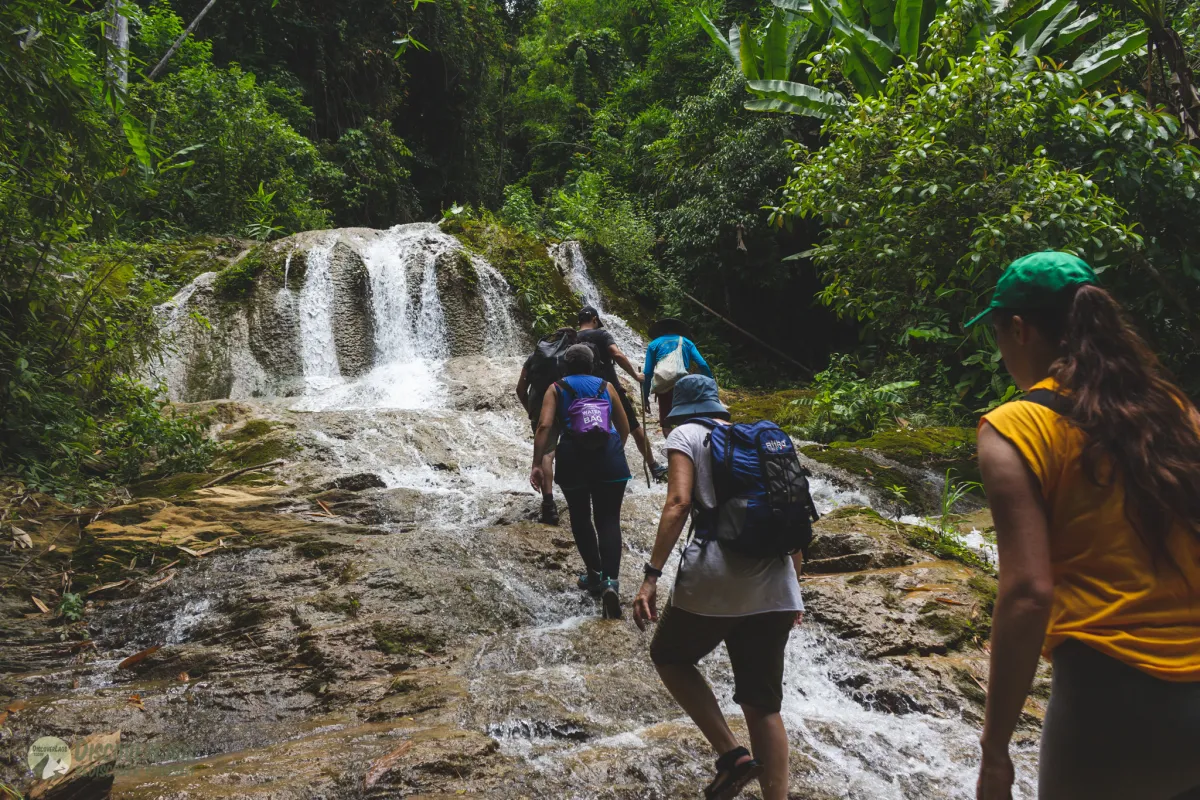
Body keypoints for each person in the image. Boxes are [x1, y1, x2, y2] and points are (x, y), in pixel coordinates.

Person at [967, 252, 1200, 800]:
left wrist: (995, 751)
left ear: (1019, 329)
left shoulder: (1014, 426)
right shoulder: (1176, 412)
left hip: (1111, 698)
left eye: (998, 336)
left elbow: (1028, 593)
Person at [632, 375, 804, 800]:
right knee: (764, 705)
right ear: (718, 405)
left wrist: (651, 575)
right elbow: (793, 515)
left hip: (714, 577)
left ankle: (732, 755)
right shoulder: (763, 440)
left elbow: (678, 502)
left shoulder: (686, 435)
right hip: (777, 583)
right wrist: (794, 589)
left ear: (675, 408)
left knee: (669, 655)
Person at [531, 343, 632, 618]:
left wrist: (537, 463)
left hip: (573, 458)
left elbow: (544, 426)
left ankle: (595, 574)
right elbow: (623, 427)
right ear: (591, 365)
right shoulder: (606, 386)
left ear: (565, 365)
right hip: (609, 457)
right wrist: (613, 450)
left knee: (580, 516)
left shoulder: (557, 387)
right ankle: (611, 582)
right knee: (609, 519)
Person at [576, 306, 668, 482]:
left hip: (583, 393)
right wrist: (635, 376)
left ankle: (589, 467)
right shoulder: (601, 335)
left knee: (589, 428)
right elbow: (616, 354)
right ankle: (653, 466)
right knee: (633, 427)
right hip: (610, 390)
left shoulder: (572, 338)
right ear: (594, 319)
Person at [516, 326, 575, 525]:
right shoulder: (570, 357)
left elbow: (520, 388)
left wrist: (530, 409)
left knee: (546, 454)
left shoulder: (535, 356)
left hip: (539, 409)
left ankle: (549, 504)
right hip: (566, 408)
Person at [642, 318, 713, 436]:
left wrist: (645, 397)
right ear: (679, 330)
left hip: (664, 386)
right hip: (683, 385)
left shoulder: (654, 344)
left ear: (661, 331)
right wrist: (710, 382)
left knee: (666, 423)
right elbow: (702, 364)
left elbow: (648, 373)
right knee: (686, 421)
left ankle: (673, 451)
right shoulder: (687, 342)